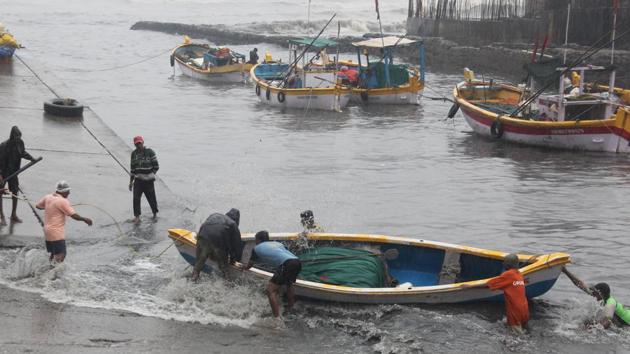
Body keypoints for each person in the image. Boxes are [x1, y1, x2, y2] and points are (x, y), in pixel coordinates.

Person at [462, 254, 529, 333]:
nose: (503, 264)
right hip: (524, 309)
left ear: (507, 264)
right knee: (523, 330)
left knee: (517, 337)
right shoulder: (519, 274)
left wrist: (469, 286)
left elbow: (488, 284)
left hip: (515, 311)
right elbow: (513, 284)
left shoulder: (508, 275)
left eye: (504, 262)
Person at [245, 231, 301, 317]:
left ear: (259, 240)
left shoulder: (256, 248)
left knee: (270, 290)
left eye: (255, 239)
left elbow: (250, 265)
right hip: (297, 261)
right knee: (289, 284)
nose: (255, 242)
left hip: (286, 264)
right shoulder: (276, 243)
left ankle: (276, 318)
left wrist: (243, 268)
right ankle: (290, 308)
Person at [35, 181, 92, 263]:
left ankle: (49, 268)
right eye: (68, 191)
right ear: (64, 191)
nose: (69, 193)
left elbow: (38, 206)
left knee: (53, 253)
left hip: (47, 231)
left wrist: (50, 206)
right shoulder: (63, 201)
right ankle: (52, 273)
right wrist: (85, 219)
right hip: (56, 232)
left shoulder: (48, 197)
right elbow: (73, 215)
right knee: (62, 253)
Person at [562, 267, 630, 328]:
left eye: (595, 293)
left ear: (601, 294)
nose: (593, 295)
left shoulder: (610, 303)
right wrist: (566, 271)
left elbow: (607, 323)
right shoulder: (603, 298)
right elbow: (580, 284)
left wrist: (590, 329)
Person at [192, 208, 242, 281]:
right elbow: (237, 245)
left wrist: (198, 240)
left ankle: (194, 278)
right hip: (218, 242)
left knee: (198, 266)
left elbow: (203, 226)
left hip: (203, 236)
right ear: (237, 220)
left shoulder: (214, 215)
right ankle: (227, 283)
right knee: (224, 269)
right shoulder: (233, 224)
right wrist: (234, 260)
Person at [0, 126, 37, 225]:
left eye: (19, 137)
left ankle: (13, 215)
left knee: (15, 192)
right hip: (3, 173)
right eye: (16, 137)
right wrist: (0, 175)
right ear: (12, 136)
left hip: (13, 173)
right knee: (0, 193)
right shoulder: (4, 146)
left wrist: (31, 158)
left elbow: (22, 152)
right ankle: (1, 216)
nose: (18, 139)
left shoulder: (20, 142)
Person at [128, 135, 159, 224]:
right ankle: (137, 217)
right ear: (134, 145)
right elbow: (132, 169)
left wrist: (151, 174)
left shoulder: (150, 152)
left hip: (148, 181)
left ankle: (154, 214)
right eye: (137, 144)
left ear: (143, 143)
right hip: (138, 181)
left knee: (151, 198)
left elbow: (156, 166)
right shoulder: (134, 154)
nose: (138, 145)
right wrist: (131, 182)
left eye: (140, 143)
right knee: (136, 198)